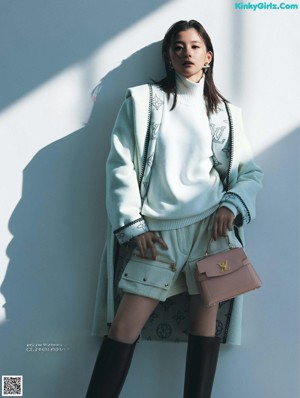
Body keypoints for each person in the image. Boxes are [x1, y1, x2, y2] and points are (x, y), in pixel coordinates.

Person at [86, 19, 263, 398]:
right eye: (178, 47)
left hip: (210, 234)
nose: (187, 53)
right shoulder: (143, 102)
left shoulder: (227, 114)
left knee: (205, 329)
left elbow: (250, 173)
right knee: (122, 330)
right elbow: (121, 165)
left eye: (195, 46)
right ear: (169, 56)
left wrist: (231, 205)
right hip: (158, 235)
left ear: (208, 56)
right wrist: (132, 225)